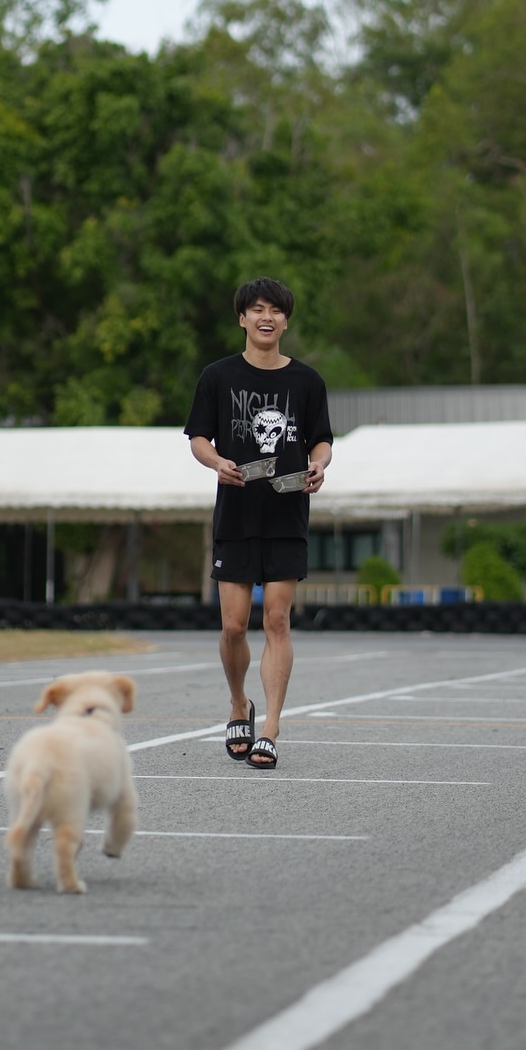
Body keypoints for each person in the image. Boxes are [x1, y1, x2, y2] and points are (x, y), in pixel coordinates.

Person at [183, 277, 333, 770]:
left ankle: (269, 727)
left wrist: (319, 465)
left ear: (286, 321)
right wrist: (216, 462)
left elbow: (321, 440)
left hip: (287, 514)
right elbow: (198, 438)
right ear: (242, 319)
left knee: (276, 620)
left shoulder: (307, 381)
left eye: (275, 310)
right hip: (237, 514)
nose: (266, 317)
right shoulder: (218, 376)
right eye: (256, 309)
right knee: (231, 626)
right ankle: (237, 704)